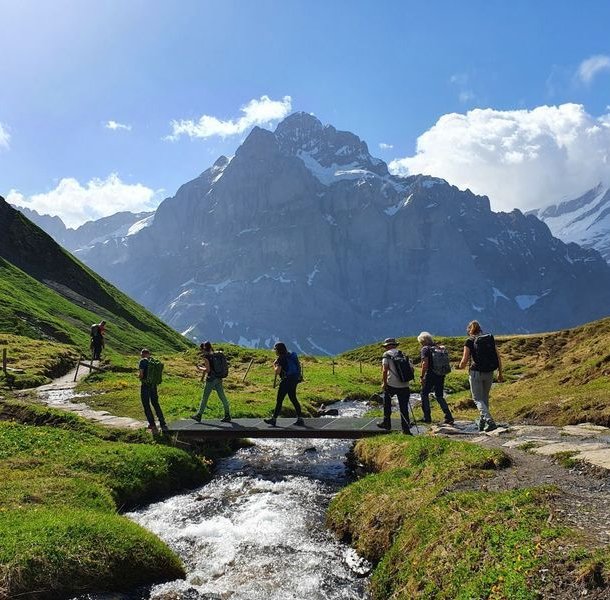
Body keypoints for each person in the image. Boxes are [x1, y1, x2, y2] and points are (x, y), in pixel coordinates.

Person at [458, 320, 503, 432]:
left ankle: (489, 421)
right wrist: (500, 373)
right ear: (480, 329)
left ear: (469, 330)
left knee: (477, 399)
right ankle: (483, 423)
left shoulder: (469, 341)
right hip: (489, 372)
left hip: (476, 373)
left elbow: (464, 361)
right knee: (484, 398)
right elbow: (498, 357)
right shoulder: (488, 339)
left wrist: (460, 366)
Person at [264, 342, 305, 426]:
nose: (275, 352)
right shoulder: (290, 355)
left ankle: (273, 419)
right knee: (293, 398)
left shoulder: (280, 358)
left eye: (275, 350)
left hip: (286, 381)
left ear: (278, 350)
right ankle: (300, 419)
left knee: (279, 400)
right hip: (294, 380)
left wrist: (274, 364)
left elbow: (277, 371)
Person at [418, 331, 454, 425]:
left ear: (423, 341)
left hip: (430, 374)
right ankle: (448, 416)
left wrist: (422, 376)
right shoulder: (437, 348)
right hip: (441, 374)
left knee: (424, 394)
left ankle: (427, 417)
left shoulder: (425, 349)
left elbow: (425, 363)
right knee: (439, 395)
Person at [190, 341, 232, 423]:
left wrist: (200, 368)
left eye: (201, 349)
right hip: (219, 378)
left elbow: (208, 370)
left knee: (205, 398)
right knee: (222, 397)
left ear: (204, 349)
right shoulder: (216, 354)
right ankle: (227, 415)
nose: (201, 351)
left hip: (211, 379)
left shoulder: (206, 357)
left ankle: (199, 415)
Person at [379, 338, 412, 435]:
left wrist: (384, 383)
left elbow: (385, 370)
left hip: (391, 384)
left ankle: (387, 423)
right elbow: (411, 369)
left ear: (387, 346)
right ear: (395, 345)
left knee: (387, 403)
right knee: (404, 407)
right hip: (404, 384)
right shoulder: (403, 354)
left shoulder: (386, 355)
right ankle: (406, 429)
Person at [138, 348, 168, 434]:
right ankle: (162, 422)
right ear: (149, 354)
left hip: (145, 386)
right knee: (155, 403)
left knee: (146, 404)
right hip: (154, 385)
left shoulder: (142, 362)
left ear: (143, 354)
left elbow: (141, 374)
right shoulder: (154, 361)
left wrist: (139, 377)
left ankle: (152, 424)